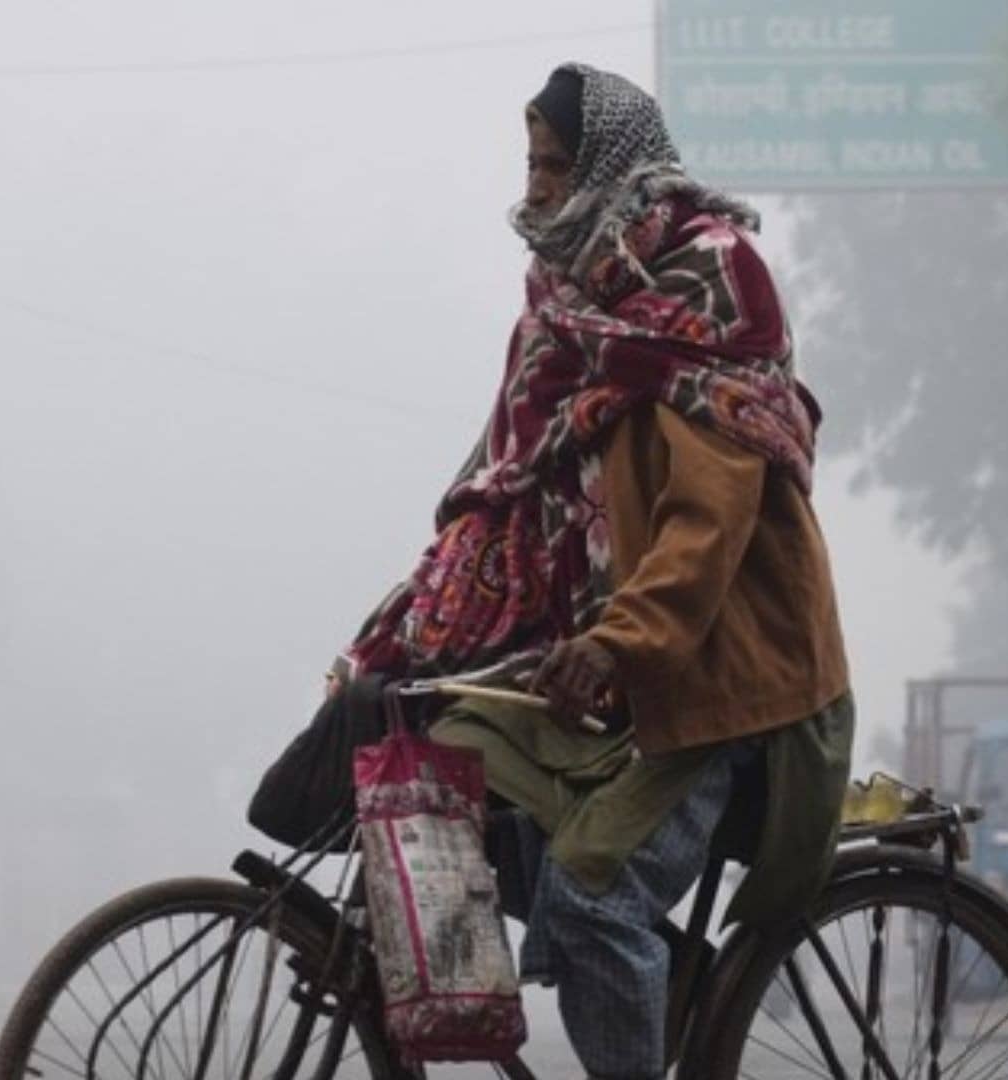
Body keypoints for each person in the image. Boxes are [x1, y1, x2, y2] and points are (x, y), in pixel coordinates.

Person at [328, 63, 853, 1079]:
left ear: (611, 168)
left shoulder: (708, 282)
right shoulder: (563, 309)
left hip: (724, 680)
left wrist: (615, 644)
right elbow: (500, 494)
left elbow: (707, 526)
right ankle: (660, 982)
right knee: (456, 754)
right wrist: (400, 636)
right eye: (530, 166)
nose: (535, 191)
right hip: (619, 671)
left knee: (590, 891)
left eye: (557, 167)